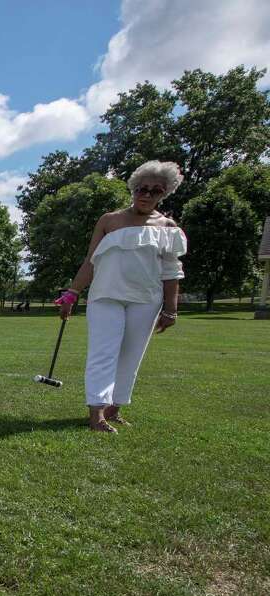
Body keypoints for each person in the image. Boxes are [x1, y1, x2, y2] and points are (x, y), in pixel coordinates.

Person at [55, 160, 187, 433]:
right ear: (133, 188)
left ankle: (115, 409)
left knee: (131, 355)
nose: (146, 195)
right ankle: (96, 414)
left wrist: (171, 310)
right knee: (102, 353)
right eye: (142, 188)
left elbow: (172, 271)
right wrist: (72, 293)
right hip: (106, 296)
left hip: (146, 300)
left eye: (155, 190)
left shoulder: (167, 226)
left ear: (165, 193)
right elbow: (91, 261)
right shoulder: (109, 220)